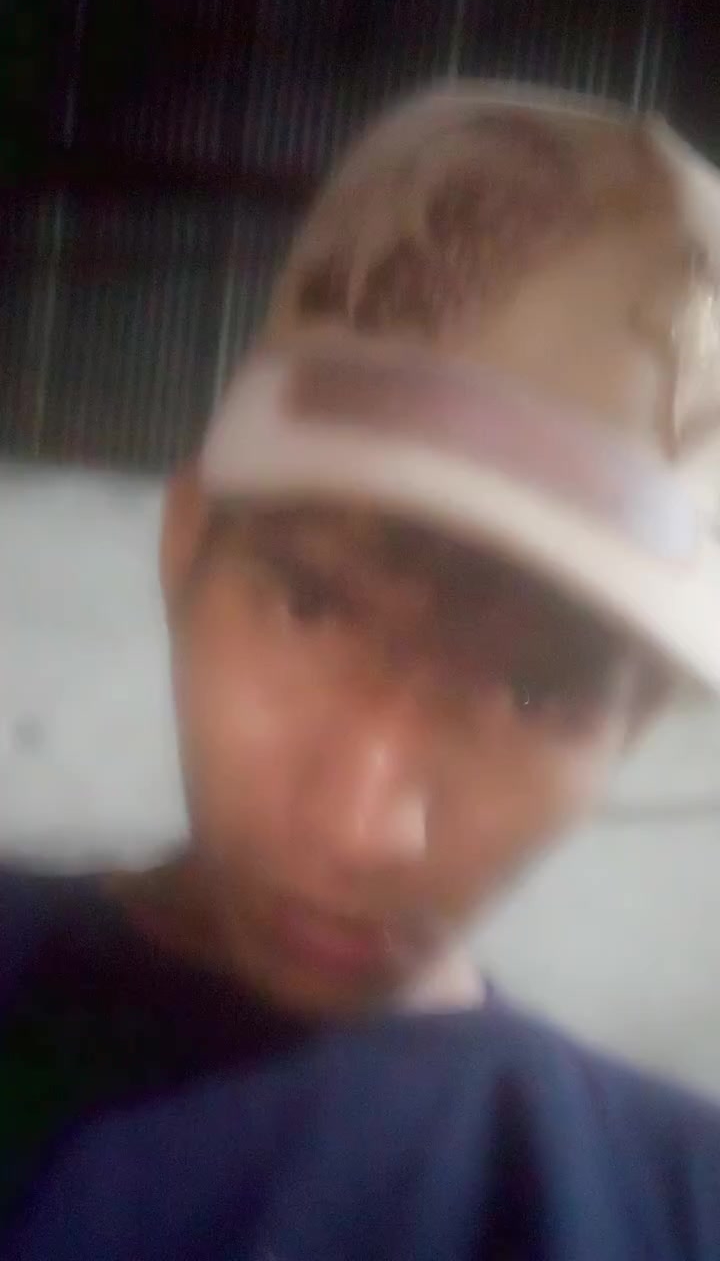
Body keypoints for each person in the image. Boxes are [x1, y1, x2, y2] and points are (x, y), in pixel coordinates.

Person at [2, 80, 720, 1260]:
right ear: (185, 546)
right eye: (312, 604)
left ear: (635, 725)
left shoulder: (675, 1207)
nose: (364, 827)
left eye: (539, 692)